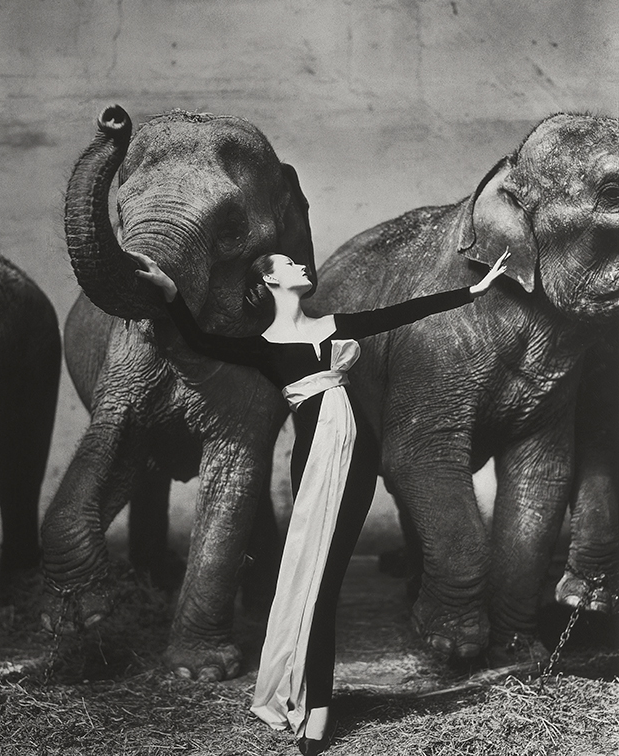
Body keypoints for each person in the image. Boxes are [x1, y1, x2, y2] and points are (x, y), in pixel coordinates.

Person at [132, 247, 510, 755]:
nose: (301, 268)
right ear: (269, 283)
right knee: (318, 587)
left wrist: (473, 292)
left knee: (327, 582)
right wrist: (170, 292)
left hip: (357, 460)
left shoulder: (331, 324)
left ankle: (319, 710)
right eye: (289, 265)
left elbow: (401, 312)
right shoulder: (262, 346)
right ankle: (314, 709)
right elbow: (199, 340)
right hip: (313, 463)